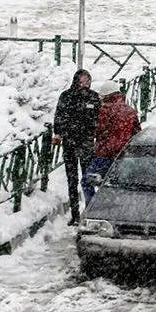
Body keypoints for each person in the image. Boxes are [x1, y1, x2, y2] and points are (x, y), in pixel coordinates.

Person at [51, 69, 101, 224]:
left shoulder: (93, 97)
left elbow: (99, 117)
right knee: (72, 179)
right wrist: (58, 133)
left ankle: (89, 211)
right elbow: (59, 115)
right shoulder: (67, 96)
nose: (85, 85)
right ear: (76, 81)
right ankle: (75, 214)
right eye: (82, 81)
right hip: (70, 142)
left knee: (88, 178)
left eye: (88, 81)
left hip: (86, 142)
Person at [86, 80, 140, 203]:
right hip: (123, 154)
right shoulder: (130, 111)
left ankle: (93, 206)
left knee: (87, 181)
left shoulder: (105, 110)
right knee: (118, 183)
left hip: (105, 153)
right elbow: (137, 132)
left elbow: (97, 131)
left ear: (106, 96)